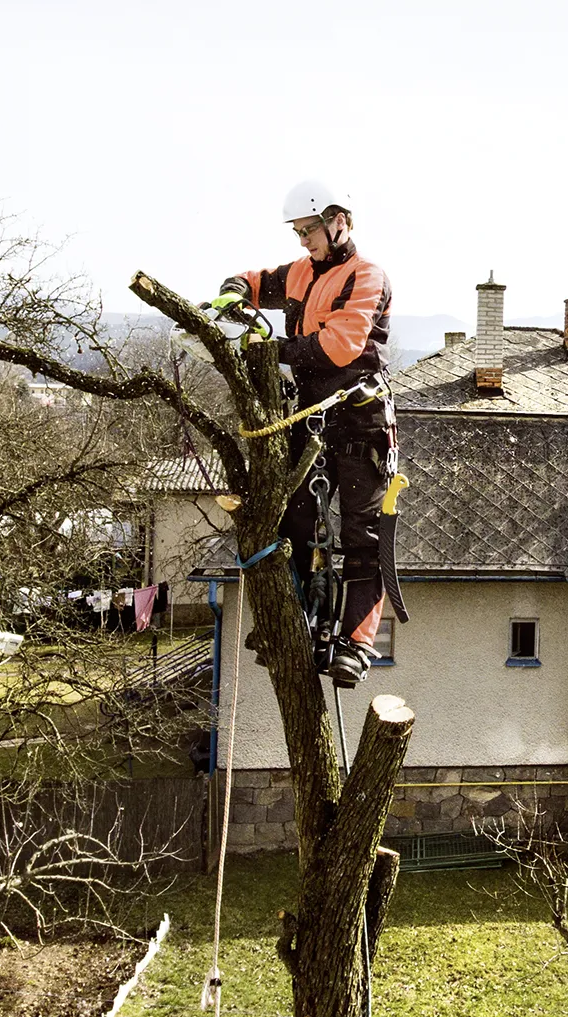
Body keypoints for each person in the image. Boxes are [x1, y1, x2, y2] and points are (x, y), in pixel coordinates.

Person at [214, 180, 395, 686]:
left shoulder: (367, 276)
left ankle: (355, 645)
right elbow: (252, 280)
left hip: (359, 419)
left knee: (362, 541)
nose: (303, 242)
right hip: (311, 418)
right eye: (297, 232)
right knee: (291, 524)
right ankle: (291, 626)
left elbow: (339, 346)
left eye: (309, 230)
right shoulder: (296, 274)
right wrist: (231, 294)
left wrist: (271, 352)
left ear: (339, 220)